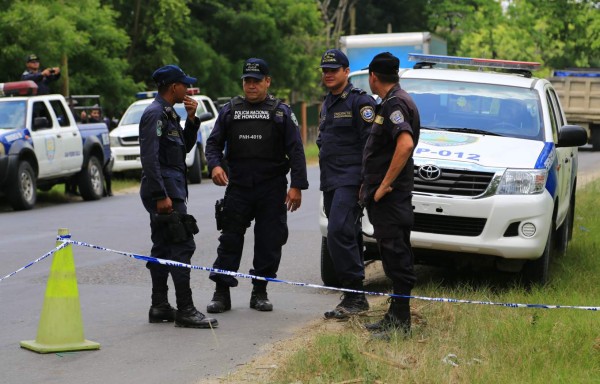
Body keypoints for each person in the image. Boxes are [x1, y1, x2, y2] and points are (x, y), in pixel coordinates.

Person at [205, 58, 308, 313]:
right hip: (239, 186)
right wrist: (215, 165)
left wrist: (297, 186)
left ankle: (260, 290)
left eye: (256, 81)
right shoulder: (230, 110)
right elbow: (213, 145)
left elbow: (296, 151)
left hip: (271, 187)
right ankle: (221, 292)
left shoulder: (281, 112)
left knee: (269, 240)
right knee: (229, 239)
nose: (251, 86)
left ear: (267, 82)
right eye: (247, 81)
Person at [139, 64, 217, 329]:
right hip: (164, 190)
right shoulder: (155, 114)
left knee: (162, 247)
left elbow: (182, 148)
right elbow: (150, 158)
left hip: (170, 188)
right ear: (174, 87)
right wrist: (161, 194)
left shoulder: (170, 113)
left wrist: (192, 119)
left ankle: (159, 305)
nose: (188, 88)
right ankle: (185, 309)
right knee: (182, 246)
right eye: (184, 84)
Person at [360, 52, 420, 339]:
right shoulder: (394, 100)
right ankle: (394, 317)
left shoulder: (396, 103)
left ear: (373, 76)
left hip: (391, 198)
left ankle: (401, 323)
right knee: (391, 253)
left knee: (396, 255)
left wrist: (383, 185)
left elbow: (405, 145)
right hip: (387, 199)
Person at [317, 49, 377, 320]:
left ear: (346, 71)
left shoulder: (360, 102)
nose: (328, 74)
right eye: (325, 70)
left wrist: (366, 181)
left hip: (351, 179)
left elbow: (371, 145)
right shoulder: (327, 103)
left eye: (333, 70)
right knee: (348, 234)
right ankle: (354, 296)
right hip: (330, 179)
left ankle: (354, 294)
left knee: (338, 231)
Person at [81, 105, 113, 196]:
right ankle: (103, 190)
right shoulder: (88, 122)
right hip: (96, 152)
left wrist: (88, 118)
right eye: (93, 113)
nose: (95, 115)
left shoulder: (103, 122)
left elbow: (105, 123)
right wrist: (84, 118)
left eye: (97, 113)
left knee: (107, 171)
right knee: (98, 171)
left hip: (105, 151)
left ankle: (109, 190)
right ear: (90, 113)